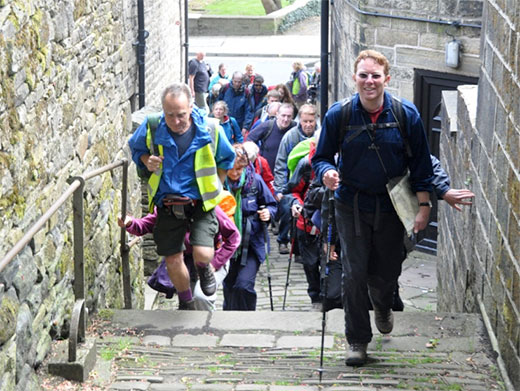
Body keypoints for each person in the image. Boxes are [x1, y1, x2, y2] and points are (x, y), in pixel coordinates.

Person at [312, 49, 434, 366]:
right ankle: (357, 341)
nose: (369, 81)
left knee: (385, 273)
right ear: (355, 78)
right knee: (353, 274)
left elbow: (421, 166)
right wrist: (326, 173)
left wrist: (424, 206)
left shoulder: (406, 115)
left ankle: (382, 303)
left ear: (386, 79)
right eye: (363, 75)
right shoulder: (338, 115)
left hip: (392, 207)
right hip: (351, 204)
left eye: (375, 76)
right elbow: (321, 157)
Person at [128, 83, 236, 310]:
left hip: (201, 204)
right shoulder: (153, 126)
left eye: (181, 115)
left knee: (202, 252)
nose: (176, 121)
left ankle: (205, 269)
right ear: (162, 111)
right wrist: (147, 160)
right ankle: (186, 301)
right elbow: (136, 149)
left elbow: (227, 159)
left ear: (191, 107)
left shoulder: (211, 129)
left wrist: (217, 185)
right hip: (167, 204)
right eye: (170, 115)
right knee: (172, 259)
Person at [118, 203, 240, 311]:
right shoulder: (167, 210)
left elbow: (234, 237)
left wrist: (214, 263)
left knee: (201, 297)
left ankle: (206, 327)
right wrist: (130, 222)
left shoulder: (209, 208)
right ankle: (189, 330)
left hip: (212, 261)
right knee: (189, 301)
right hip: (186, 264)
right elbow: (144, 225)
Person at [223, 144, 277, 310]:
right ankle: (229, 319)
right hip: (225, 245)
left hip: (251, 243)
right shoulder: (219, 184)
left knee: (244, 285)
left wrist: (268, 212)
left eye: (240, 169)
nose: (236, 173)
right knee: (230, 285)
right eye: (232, 169)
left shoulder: (255, 182)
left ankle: (247, 318)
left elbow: (271, 204)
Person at [246, 103, 296, 254]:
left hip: (288, 174)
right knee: (272, 203)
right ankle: (273, 224)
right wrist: (258, 158)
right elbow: (249, 140)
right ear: (277, 115)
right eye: (283, 116)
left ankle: (283, 239)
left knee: (285, 207)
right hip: (268, 173)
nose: (285, 119)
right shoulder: (268, 126)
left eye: (289, 116)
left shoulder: (295, 129)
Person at [218, 71, 254, 136]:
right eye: (235, 81)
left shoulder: (246, 92)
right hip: (225, 121)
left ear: (242, 81)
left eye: (239, 82)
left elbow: (249, 111)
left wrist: (245, 127)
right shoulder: (225, 88)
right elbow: (218, 104)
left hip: (239, 124)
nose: (237, 84)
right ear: (232, 80)